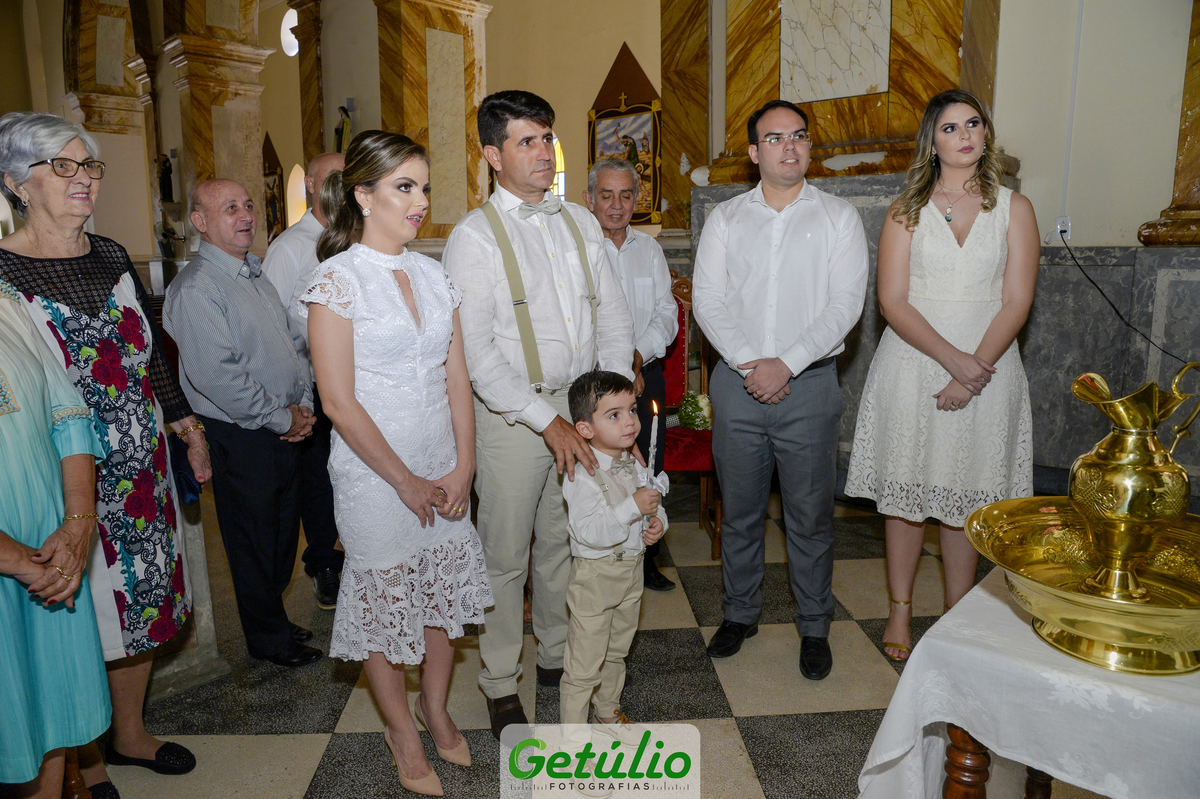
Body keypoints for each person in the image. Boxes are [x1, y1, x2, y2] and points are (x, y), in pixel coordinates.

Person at [0, 111, 206, 796]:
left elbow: (153, 355)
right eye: (62, 166)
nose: (83, 178)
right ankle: (83, 760)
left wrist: (184, 423)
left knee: (140, 604)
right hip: (62, 475)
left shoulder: (112, 255)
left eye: (89, 165)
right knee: (77, 611)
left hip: (141, 467)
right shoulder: (2, 272)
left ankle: (130, 733)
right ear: (16, 183)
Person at [303, 131, 492, 797]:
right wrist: (405, 481)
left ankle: (435, 709)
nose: (420, 201)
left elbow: (457, 377)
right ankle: (401, 733)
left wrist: (465, 465)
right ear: (363, 195)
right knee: (386, 605)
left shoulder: (435, 276)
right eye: (404, 187)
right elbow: (337, 401)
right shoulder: (336, 281)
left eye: (424, 187)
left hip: (441, 459)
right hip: (373, 475)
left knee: (440, 595)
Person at [442, 90, 634, 739]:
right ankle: (500, 680)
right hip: (511, 411)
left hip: (580, 402)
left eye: (546, 138)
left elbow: (613, 317)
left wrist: (609, 405)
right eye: (526, 141)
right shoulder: (473, 237)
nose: (544, 152)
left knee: (564, 539)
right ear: (493, 155)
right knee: (505, 552)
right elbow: (476, 351)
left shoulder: (579, 221)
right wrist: (542, 418)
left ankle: (554, 654)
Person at [845, 89, 1037, 661]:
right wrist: (955, 363)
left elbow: (1017, 301)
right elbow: (892, 301)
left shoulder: (1015, 208)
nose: (965, 135)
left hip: (991, 363)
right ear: (932, 140)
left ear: (986, 133)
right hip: (913, 364)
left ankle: (958, 613)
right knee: (906, 495)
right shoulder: (905, 210)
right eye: (950, 127)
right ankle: (900, 610)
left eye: (973, 124)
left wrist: (974, 371)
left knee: (966, 495)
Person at [693, 99, 868, 681]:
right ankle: (739, 614)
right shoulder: (726, 219)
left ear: (809, 146)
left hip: (810, 385)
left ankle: (814, 625)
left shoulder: (838, 217)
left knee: (809, 517)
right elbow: (708, 300)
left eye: (798, 136)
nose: (788, 147)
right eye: (774, 138)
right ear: (753, 152)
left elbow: (846, 305)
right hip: (738, 384)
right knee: (740, 513)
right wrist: (752, 364)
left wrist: (786, 364)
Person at [164, 178, 321, 669]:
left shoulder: (254, 274)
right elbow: (218, 374)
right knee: (253, 540)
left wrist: (302, 406)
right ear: (200, 221)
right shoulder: (198, 287)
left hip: (281, 425)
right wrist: (280, 418)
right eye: (230, 208)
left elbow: (292, 346)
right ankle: (267, 638)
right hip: (243, 433)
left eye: (248, 205)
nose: (246, 215)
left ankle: (273, 619)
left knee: (281, 534)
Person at [0, 279, 110, 799]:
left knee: (51, 696)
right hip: (20, 560)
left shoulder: (6, 301)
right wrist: (16, 560)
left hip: (49, 547)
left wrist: (77, 523)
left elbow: (69, 416)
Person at [583, 157, 678, 592]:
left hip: (646, 374)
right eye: (607, 195)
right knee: (598, 471)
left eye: (626, 195)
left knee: (646, 466)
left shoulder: (650, 249)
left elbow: (666, 313)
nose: (616, 205)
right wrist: (621, 368)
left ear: (637, 199)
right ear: (589, 199)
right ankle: (597, 554)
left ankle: (646, 556)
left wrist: (636, 358)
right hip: (595, 380)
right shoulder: (580, 250)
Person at [559, 370, 666, 737]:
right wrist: (632, 508)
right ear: (585, 429)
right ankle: (573, 739)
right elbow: (588, 533)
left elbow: (653, 503)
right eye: (614, 415)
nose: (630, 421)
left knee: (617, 650)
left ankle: (607, 710)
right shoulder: (581, 476)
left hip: (631, 573)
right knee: (584, 663)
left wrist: (657, 522)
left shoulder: (635, 463)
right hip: (595, 577)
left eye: (632, 410)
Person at [261, 151, 346, 610]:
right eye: (332, 177)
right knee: (319, 480)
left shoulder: (358, 238)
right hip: (311, 384)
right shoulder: (291, 246)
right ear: (311, 185)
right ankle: (324, 564)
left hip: (359, 384)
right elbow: (271, 324)